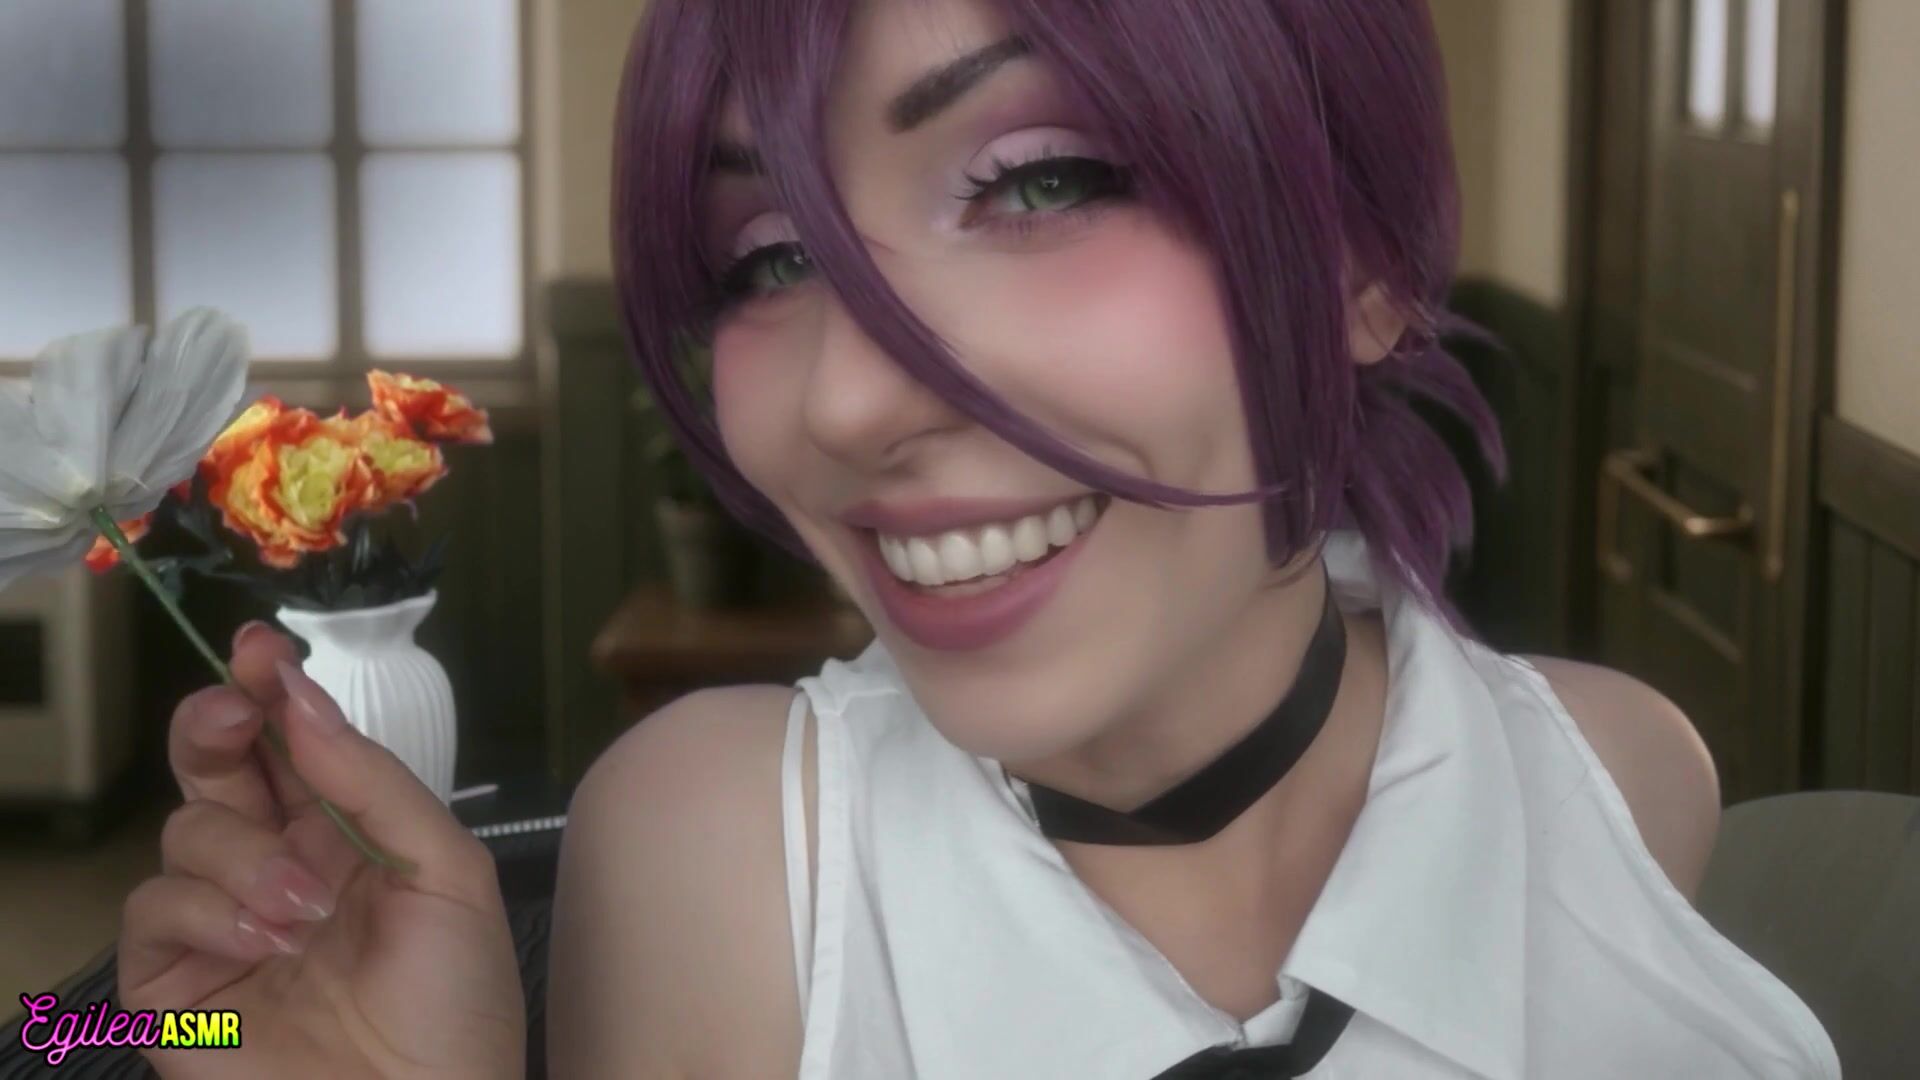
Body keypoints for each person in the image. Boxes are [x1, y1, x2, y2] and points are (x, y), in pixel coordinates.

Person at [130, 1, 1842, 1077]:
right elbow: (90, 1028)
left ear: (1365, 266)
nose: (850, 399)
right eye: (768, 259)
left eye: (1040, 180)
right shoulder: (718, 854)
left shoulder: (1619, 780)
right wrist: (145, 1032)